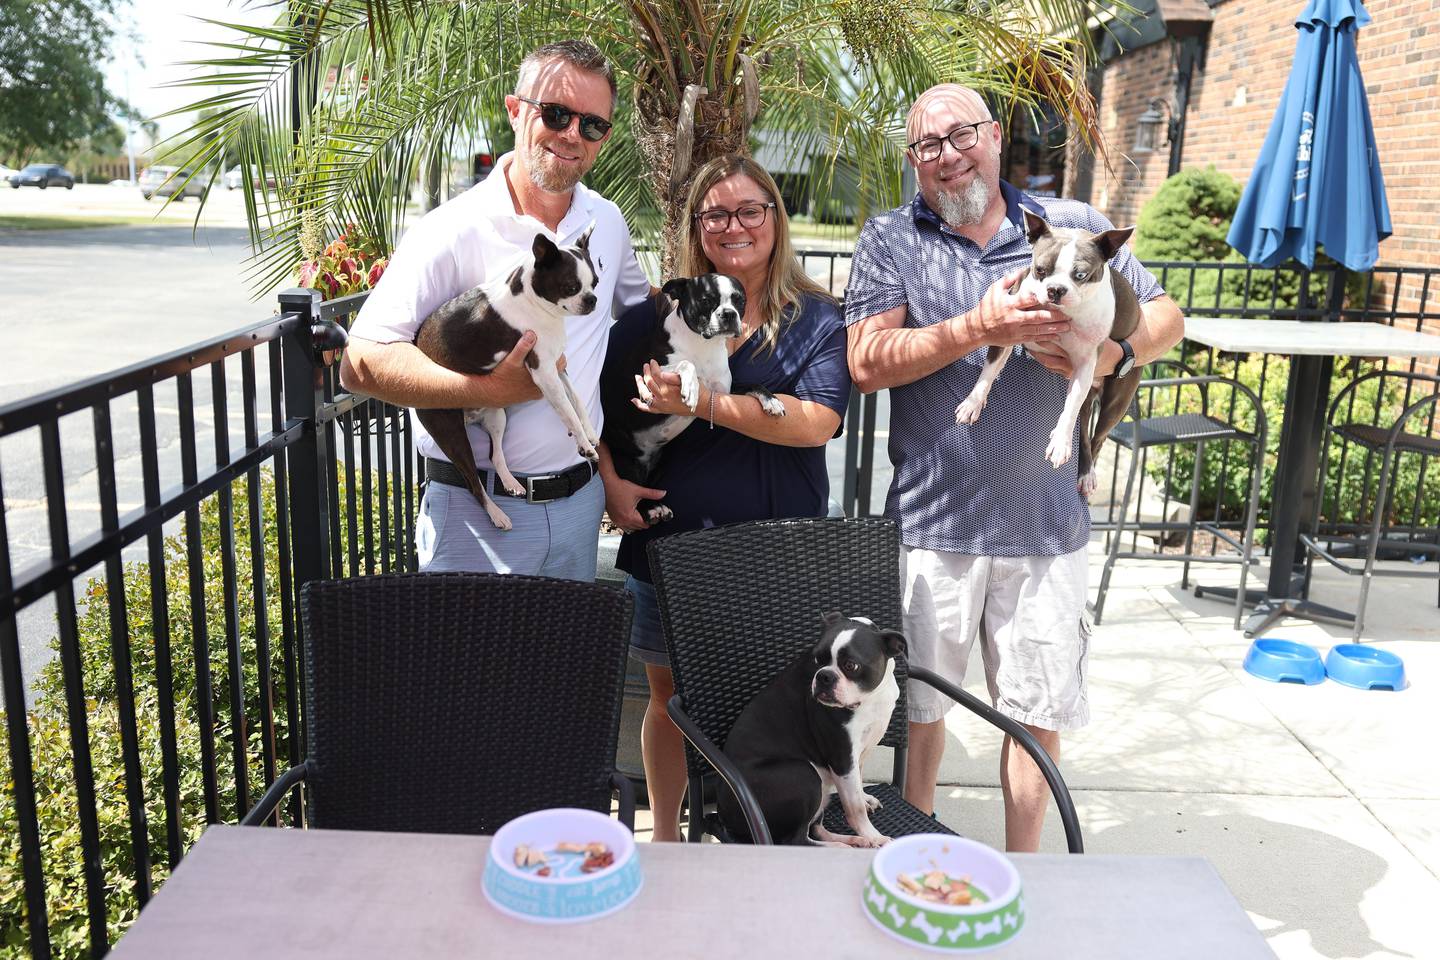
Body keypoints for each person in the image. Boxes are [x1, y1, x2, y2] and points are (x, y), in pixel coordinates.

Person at [843, 84, 1185, 852]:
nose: (947, 156)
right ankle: (915, 855)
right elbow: (864, 362)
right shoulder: (892, 237)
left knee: (1036, 719)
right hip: (933, 525)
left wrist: (1113, 358)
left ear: (994, 137)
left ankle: (1025, 876)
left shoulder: (1076, 229)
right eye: (926, 146)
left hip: (1045, 528)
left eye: (960, 135)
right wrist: (975, 328)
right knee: (922, 716)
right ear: (913, 161)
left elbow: (1167, 318)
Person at [598, 154, 852, 842]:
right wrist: (608, 478)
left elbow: (818, 422)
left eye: (749, 210)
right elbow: (595, 398)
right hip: (672, 542)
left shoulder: (817, 318)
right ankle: (669, 840)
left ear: (776, 218)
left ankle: (764, 835)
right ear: (695, 226)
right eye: (715, 214)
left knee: (775, 700)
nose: (733, 226)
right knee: (668, 701)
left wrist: (708, 402)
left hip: (779, 546)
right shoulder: (658, 313)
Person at [340, 40, 653, 579]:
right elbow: (361, 362)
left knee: (566, 667)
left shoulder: (608, 223)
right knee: (468, 667)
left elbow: (640, 316)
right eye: (556, 114)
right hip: (474, 512)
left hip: (581, 506)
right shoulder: (451, 228)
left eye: (593, 125)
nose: (572, 134)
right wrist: (488, 392)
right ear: (515, 110)